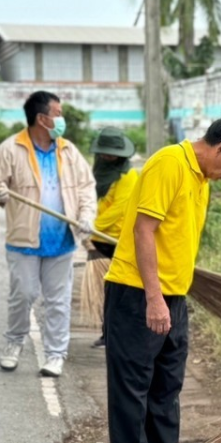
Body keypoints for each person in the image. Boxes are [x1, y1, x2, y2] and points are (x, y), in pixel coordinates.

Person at [103, 115, 221, 443]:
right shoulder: (169, 163)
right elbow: (143, 230)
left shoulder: (201, 178)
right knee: (132, 390)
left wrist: (171, 298)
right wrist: (154, 299)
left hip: (173, 296)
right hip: (137, 293)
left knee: (166, 390)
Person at [0, 91, 96, 378]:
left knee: (58, 300)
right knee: (22, 295)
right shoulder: (11, 149)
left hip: (62, 240)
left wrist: (85, 217)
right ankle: (14, 343)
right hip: (24, 240)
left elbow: (86, 188)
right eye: (57, 113)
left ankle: (55, 354)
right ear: (42, 118)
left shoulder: (68, 151)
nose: (61, 119)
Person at [88, 127, 141, 349]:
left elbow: (119, 209)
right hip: (97, 240)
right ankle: (106, 334)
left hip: (118, 241)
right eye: (104, 152)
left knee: (119, 291)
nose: (107, 156)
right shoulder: (96, 171)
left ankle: (122, 335)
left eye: (111, 153)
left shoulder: (128, 176)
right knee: (101, 291)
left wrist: (91, 227)